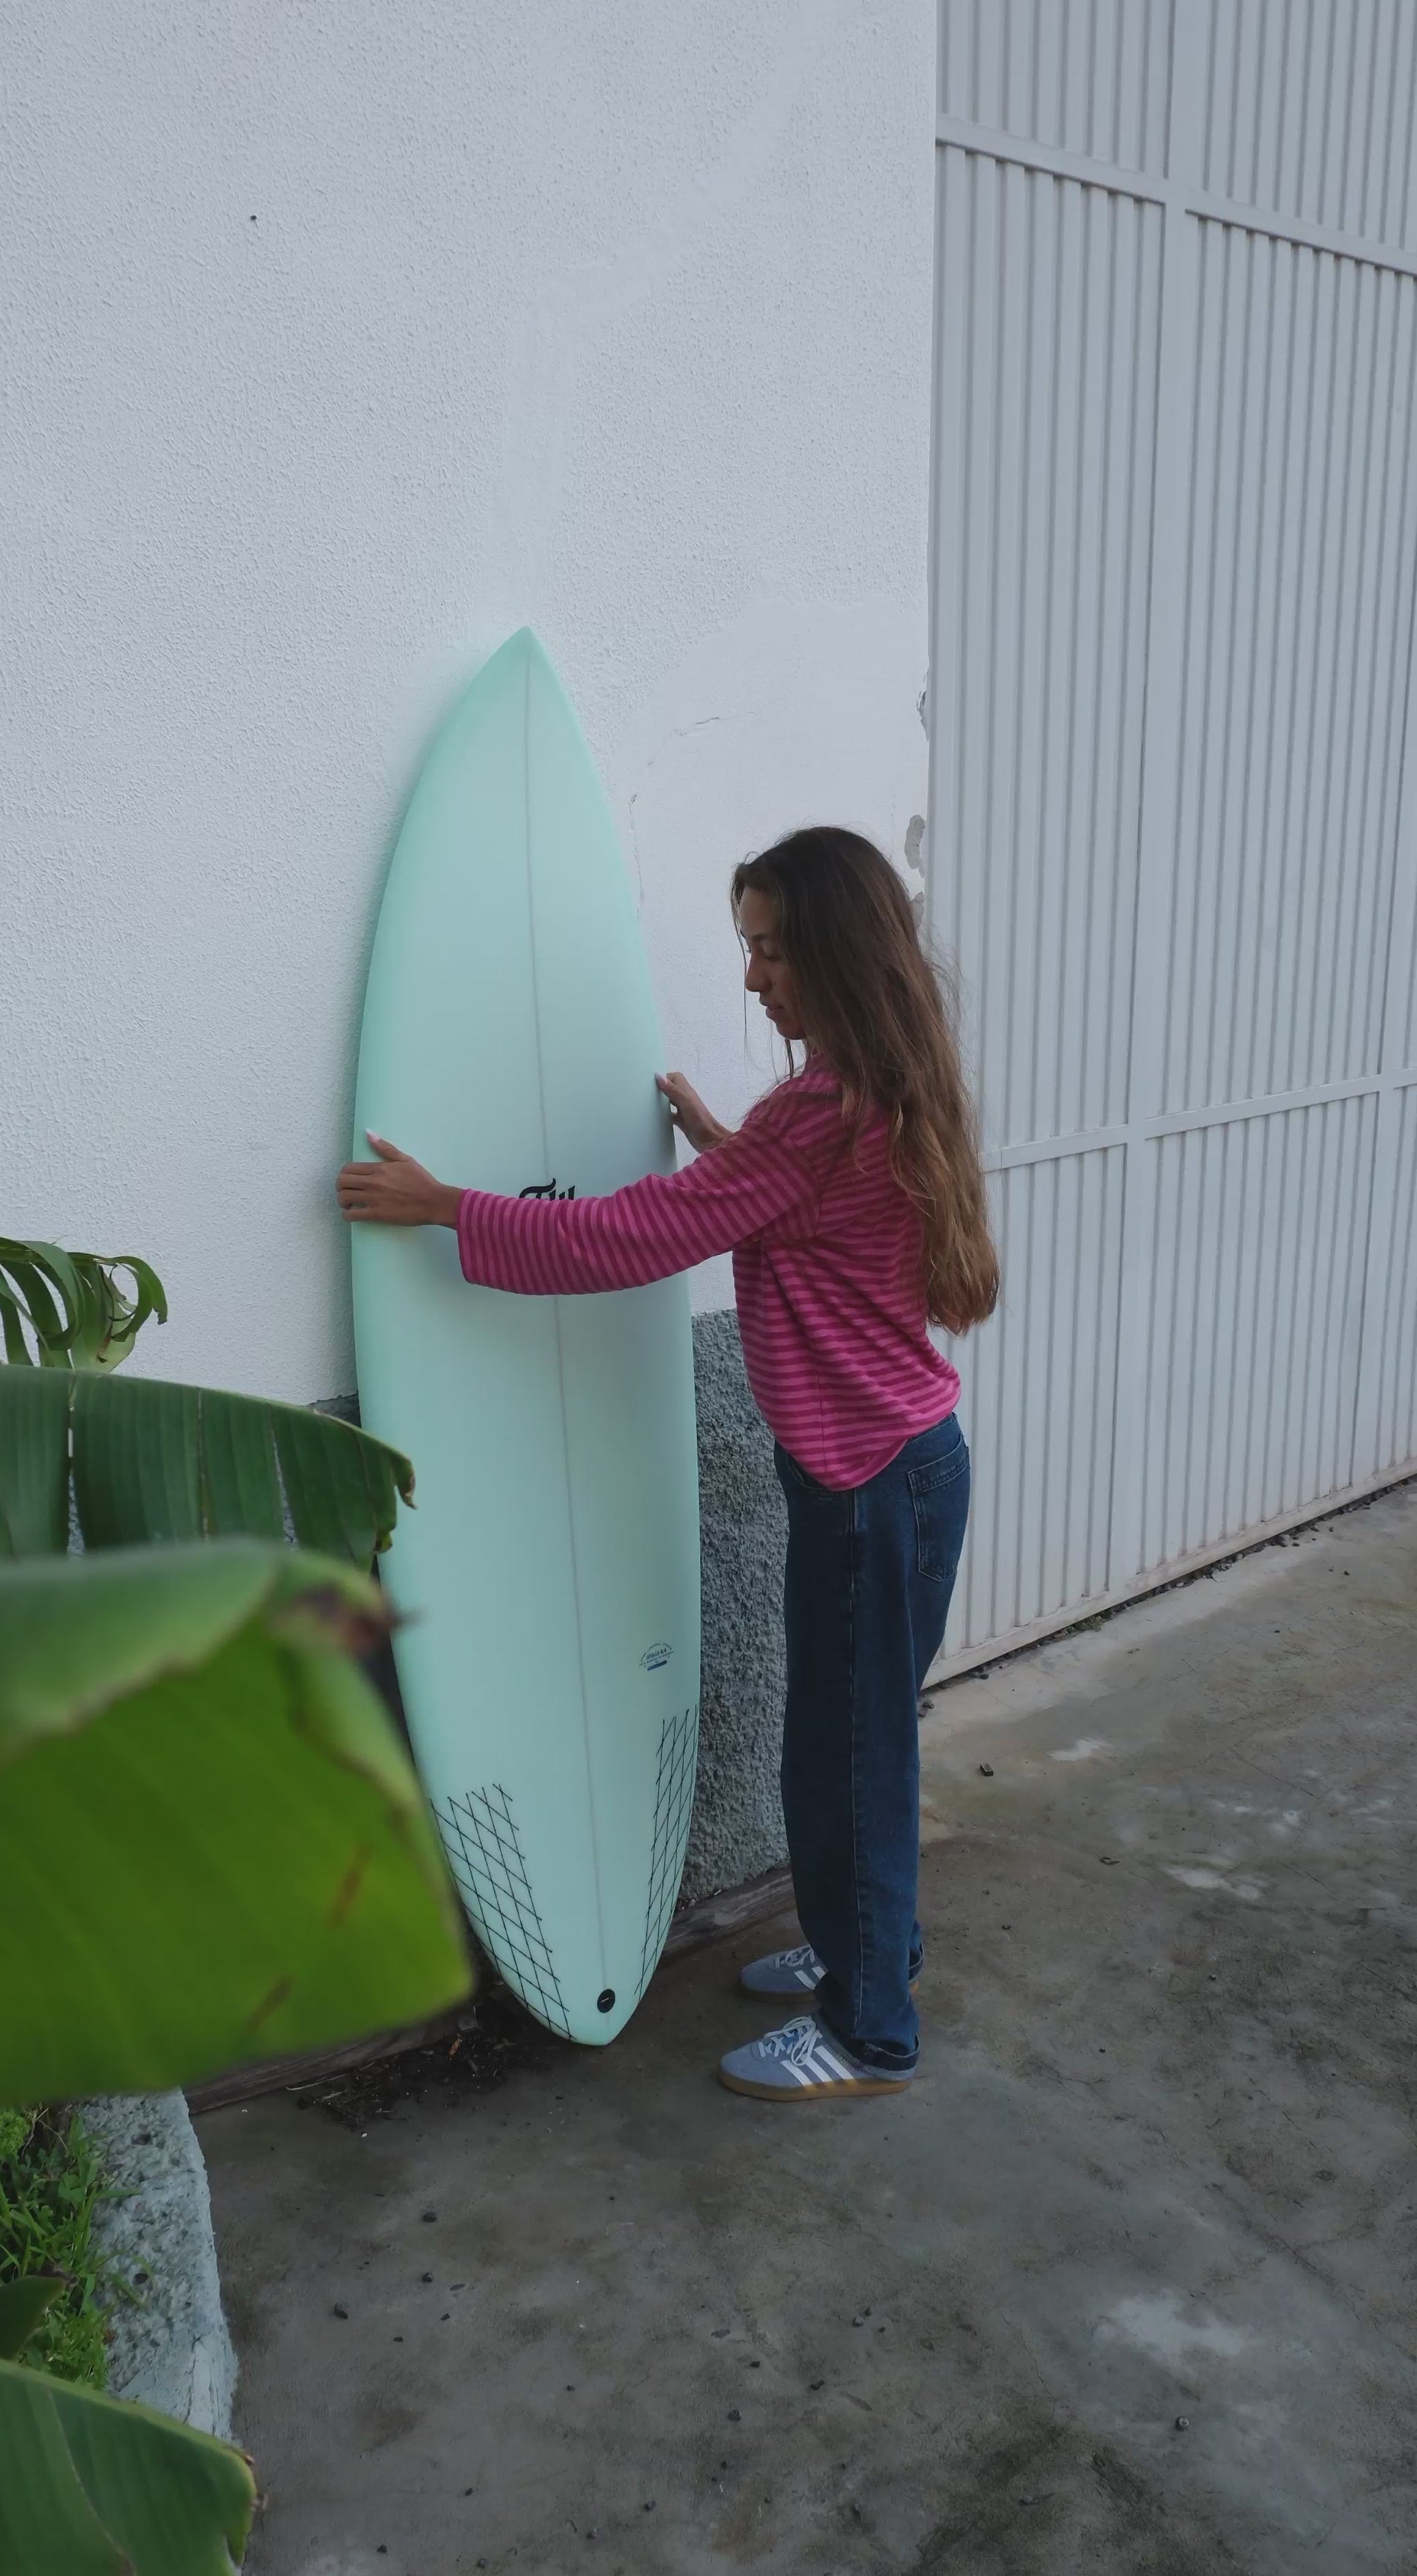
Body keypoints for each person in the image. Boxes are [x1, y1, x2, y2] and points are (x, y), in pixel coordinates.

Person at [337, 825, 999, 2101]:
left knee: (845, 1758)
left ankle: (871, 2034)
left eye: (768, 949)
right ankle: (870, 1947)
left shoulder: (815, 1113)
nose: (752, 977)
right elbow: (781, 1204)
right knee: (856, 1745)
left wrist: (447, 1209)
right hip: (909, 1466)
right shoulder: (879, 1081)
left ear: (832, 954)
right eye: (747, 948)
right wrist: (717, 1137)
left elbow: (631, 1242)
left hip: (867, 1492)